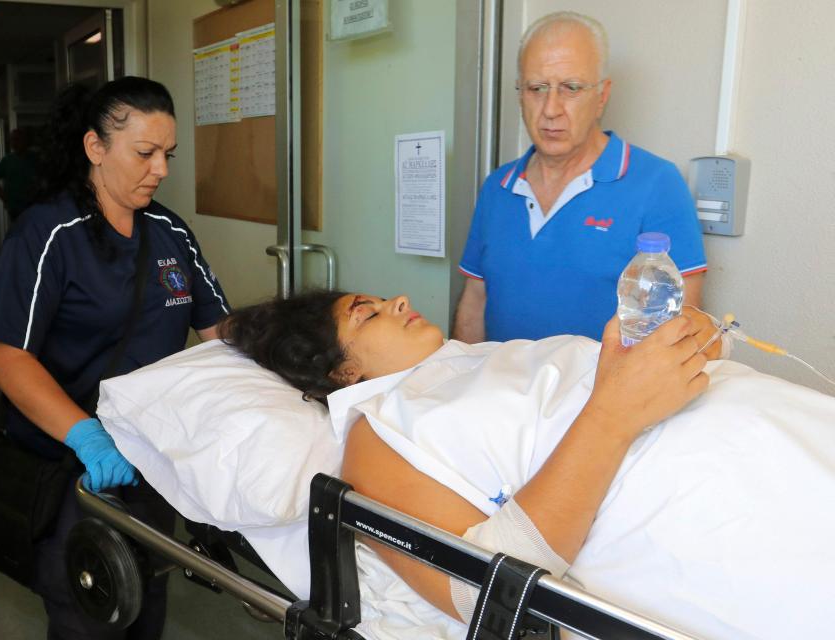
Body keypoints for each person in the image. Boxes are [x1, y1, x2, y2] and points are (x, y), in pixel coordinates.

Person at [221, 291, 835, 639]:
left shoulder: (478, 357)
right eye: (368, 312)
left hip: (753, 416)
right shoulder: (376, 430)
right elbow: (479, 591)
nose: (398, 299)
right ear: (343, 372)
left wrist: (671, 353)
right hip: (709, 492)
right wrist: (616, 410)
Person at [0, 76, 230, 640]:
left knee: (146, 603)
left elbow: (221, 330)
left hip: (149, 462)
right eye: (144, 153)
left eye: (168, 154)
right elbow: (7, 356)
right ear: (95, 148)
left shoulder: (170, 232)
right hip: (75, 465)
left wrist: (289, 360)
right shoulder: (48, 233)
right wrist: (86, 436)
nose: (161, 169)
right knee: (87, 612)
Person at [453, 11, 707, 343]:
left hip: (602, 394)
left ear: (602, 95)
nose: (551, 109)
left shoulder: (657, 185)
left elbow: (682, 328)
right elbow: (475, 302)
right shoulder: (497, 188)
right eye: (536, 88)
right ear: (519, 94)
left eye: (570, 88)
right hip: (500, 391)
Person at [0, 128, 39, 223]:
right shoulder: (7, 160)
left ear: (25, 141)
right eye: (12, 140)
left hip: (33, 204)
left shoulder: (35, 158)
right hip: (15, 206)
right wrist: (3, 196)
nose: (14, 143)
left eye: (17, 139)